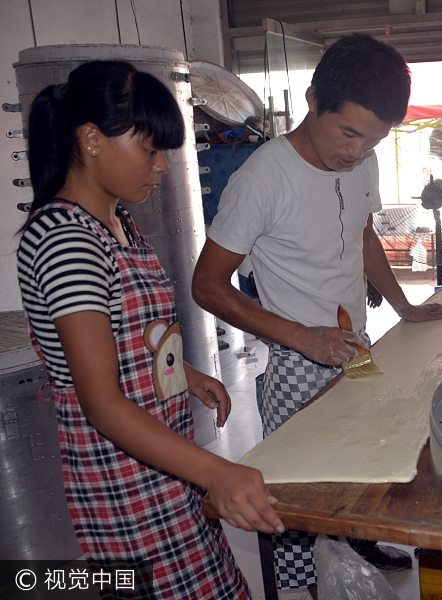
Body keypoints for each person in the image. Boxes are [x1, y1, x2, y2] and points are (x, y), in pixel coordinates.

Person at [192, 33, 442, 594]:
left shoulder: (363, 163)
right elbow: (207, 286)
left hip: (352, 346)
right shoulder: (262, 179)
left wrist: (405, 305)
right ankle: (313, 589)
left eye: (375, 139)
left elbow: (362, 236)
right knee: (300, 506)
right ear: (313, 101)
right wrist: (298, 336)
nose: (357, 151)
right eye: (349, 132)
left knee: (359, 469)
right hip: (294, 362)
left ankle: (360, 545)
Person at [16, 60, 285, 598]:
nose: (161, 167)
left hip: (162, 466)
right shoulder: (67, 239)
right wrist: (217, 472)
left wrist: (182, 372)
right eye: (149, 148)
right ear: (91, 139)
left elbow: (125, 333)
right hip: (123, 483)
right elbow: (100, 401)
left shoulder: (117, 224)